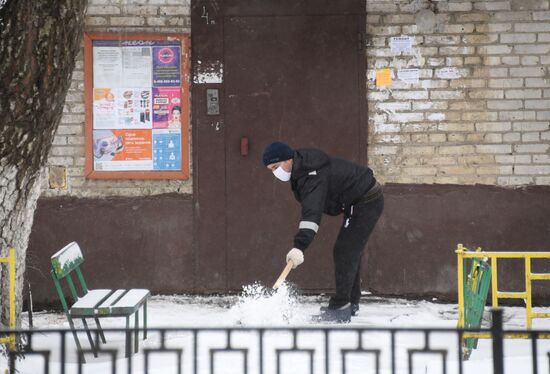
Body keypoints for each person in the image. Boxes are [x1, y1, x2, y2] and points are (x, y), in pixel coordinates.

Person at [262, 141, 384, 322]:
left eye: (276, 166)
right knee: (349, 250)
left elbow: (312, 211)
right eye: (271, 170)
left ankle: (341, 306)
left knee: (345, 251)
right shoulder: (301, 168)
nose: (275, 172)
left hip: (366, 200)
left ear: (288, 160)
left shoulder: (312, 173)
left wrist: (299, 246)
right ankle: (351, 301)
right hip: (355, 201)